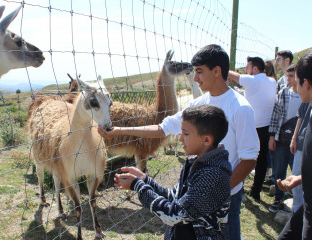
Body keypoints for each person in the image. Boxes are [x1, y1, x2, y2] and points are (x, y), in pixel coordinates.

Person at [99, 44, 260, 240]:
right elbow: (162, 128)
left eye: (199, 72)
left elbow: (249, 159)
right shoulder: (199, 104)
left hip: (225, 198)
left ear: (217, 71)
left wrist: (220, 192)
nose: (195, 78)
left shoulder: (240, 108)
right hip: (194, 191)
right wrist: (119, 131)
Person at [114, 104, 232, 239]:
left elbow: (174, 215)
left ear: (206, 140)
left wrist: (138, 186)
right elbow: (173, 197)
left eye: (186, 134)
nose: (180, 138)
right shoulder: (195, 163)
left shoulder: (212, 176)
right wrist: (145, 180)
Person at [228, 56, 276, 201]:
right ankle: (256, 191)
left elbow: (233, 75)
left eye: (248, 67)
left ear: (255, 68)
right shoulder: (272, 81)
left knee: (242, 156)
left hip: (251, 127)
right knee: (261, 160)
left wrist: (229, 74)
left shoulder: (252, 80)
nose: (245, 70)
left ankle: (237, 186)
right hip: (266, 128)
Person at [276, 51, 312, 240]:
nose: (295, 89)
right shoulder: (309, 108)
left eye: (296, 82)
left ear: (306, 83)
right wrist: (301, 178)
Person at [268, 64, 302, 212]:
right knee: (279, 170)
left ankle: (297, 201)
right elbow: (275, 116)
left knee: (296, 170)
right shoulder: (283, 93)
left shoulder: (305, 95)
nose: (287, 79)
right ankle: (278, 198)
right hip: (282, 139)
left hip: (298, 142)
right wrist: (272, 137)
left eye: (291, 76)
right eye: (287, 76)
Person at [290, 102, 311, 212]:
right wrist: (294, 139)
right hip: (301, 143)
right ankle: (296, 210)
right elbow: (300, 117)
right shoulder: (307, 98)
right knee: (296, 177)